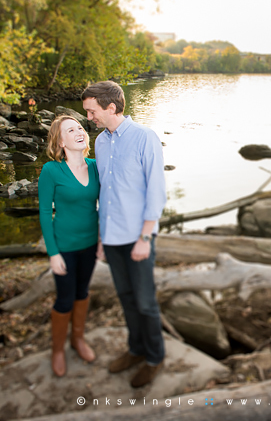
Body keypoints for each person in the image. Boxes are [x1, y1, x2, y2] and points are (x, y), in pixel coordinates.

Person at [81, 81, 168, 388]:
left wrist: (145, 238)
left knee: (145, 302)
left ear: (111, 108)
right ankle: (136, 350)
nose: (89, 117)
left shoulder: (145, 138)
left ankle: (155, 358)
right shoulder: (101, 143)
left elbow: (156, 191)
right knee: (127, 299)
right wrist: (103, 238)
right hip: (113, 237)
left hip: (138, 237)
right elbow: (106, 193)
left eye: (92, 111)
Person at [38, 115, 100, 377]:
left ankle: (78, 339)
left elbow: (106, 205)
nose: (79, 132)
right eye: (70, 130)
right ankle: (58, 350)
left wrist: (102, 241)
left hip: (90, 245)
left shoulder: (96, 166)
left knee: (83, 293)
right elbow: (43, 213)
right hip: (64, 246)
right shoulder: (51, 170)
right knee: (64, 300)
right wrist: (53, 253)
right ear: (60, 141)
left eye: (80, 128)